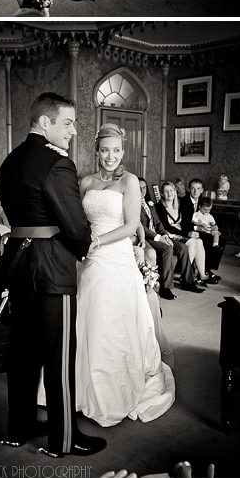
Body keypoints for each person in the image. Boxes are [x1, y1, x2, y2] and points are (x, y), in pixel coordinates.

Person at [0, 92, 105, 458]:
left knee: (22, 352)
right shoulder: (56, 164)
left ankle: (18, 429)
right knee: (59, 356)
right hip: (52, 268)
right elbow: (74, 224)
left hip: (17, 265)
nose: (74, 131)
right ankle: (63, 439)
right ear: (45, 123)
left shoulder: (10, 162)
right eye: (68, 123)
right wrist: (84, 247)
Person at [76, 125, 176, 427]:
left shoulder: (129, 181)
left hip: (114, 255)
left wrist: (97, 241)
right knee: (88, 317)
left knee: (114, 320)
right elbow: (80, 220)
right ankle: (82, 385)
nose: (111, 156)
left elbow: (132, 225)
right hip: (89, 258)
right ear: (96, 151)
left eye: (117, 150)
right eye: (105, 150)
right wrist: (82, 243)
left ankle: (115, 384)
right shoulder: (85, 182)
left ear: (123, 152)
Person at [138, 178, 203, 299]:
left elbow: (158, 224)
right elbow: (140, 227)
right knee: (168, 249)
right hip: (147, 237)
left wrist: (165, 235)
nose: (142, 190)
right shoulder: (133, 204)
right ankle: (165, 287)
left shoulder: (149, 203)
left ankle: (188, 281)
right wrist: (158, 237)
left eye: (144, 188)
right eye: (139, 188)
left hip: (159, 235)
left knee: (183, 247)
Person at [154, 180, 216, 285]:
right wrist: (186, 234)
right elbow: (167, 226)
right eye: (166, 191)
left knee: (199, 241)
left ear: (175, 191)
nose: (169, 193)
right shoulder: (159, 207)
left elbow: (185, 223)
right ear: (162, 194)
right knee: (192, 242)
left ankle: (202, 275)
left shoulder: (179, 204)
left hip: (181, 233)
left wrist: (193, 230)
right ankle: (185, 275)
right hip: (169, 234)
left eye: (171, 190)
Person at [191, 196, 225, 278]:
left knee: (222, 240)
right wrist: (200, 224)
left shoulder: (209, 216)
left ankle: (210, 267)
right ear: (200, 207)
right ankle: (204, 269)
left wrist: (214, 227)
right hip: (200, 231)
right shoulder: (197, 214)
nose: (206, 212)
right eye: (205, 210)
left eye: (208, 210)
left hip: (209, 231)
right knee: (208, 240)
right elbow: (193, 221)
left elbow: (212, 222)